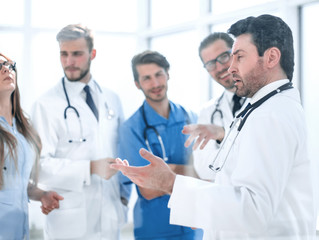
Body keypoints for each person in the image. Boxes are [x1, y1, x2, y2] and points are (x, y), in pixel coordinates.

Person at [111, 14, 317, 240]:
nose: (229, 68)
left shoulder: (271, 115)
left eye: (237, 57)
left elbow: (253, 209)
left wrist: (169, 181)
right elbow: (219, 177)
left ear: (271, 57)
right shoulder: (259, 110)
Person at [31, 24, 127, 240]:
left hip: (110, 215)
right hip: (69, 221)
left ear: (92, 54)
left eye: (77, 54)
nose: (69, 62)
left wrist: (124, 198)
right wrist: (90, 168)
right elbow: (39, 167)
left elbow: (123, 150)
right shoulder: (45, 104)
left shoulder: (112, 99)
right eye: (63, 54)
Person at [118, 50, 203, 239]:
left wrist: (165, 172)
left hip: (194, 225)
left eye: (158, 74)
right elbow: (147, 189)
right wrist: (189, 172)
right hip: (155, 229)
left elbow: (205, 174)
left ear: (168, 74)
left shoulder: (190, 118)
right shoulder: (131, 128)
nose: (155, 84)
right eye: (147, 78)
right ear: (137, 84)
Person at [0, 53, 63, 240]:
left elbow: (15, 180)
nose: (6, 69)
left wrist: (42, 194)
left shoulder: (23, 127)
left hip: (19, 228)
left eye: (10, 65)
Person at [183, 32, 247, 180]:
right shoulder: (208, 111)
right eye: (211, 64)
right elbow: (204, 170)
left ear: (237, 54)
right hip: (227, 200)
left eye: (224, 57)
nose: (219, 68)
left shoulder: (265, 102)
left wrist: (223, 135)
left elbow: (262, 158)